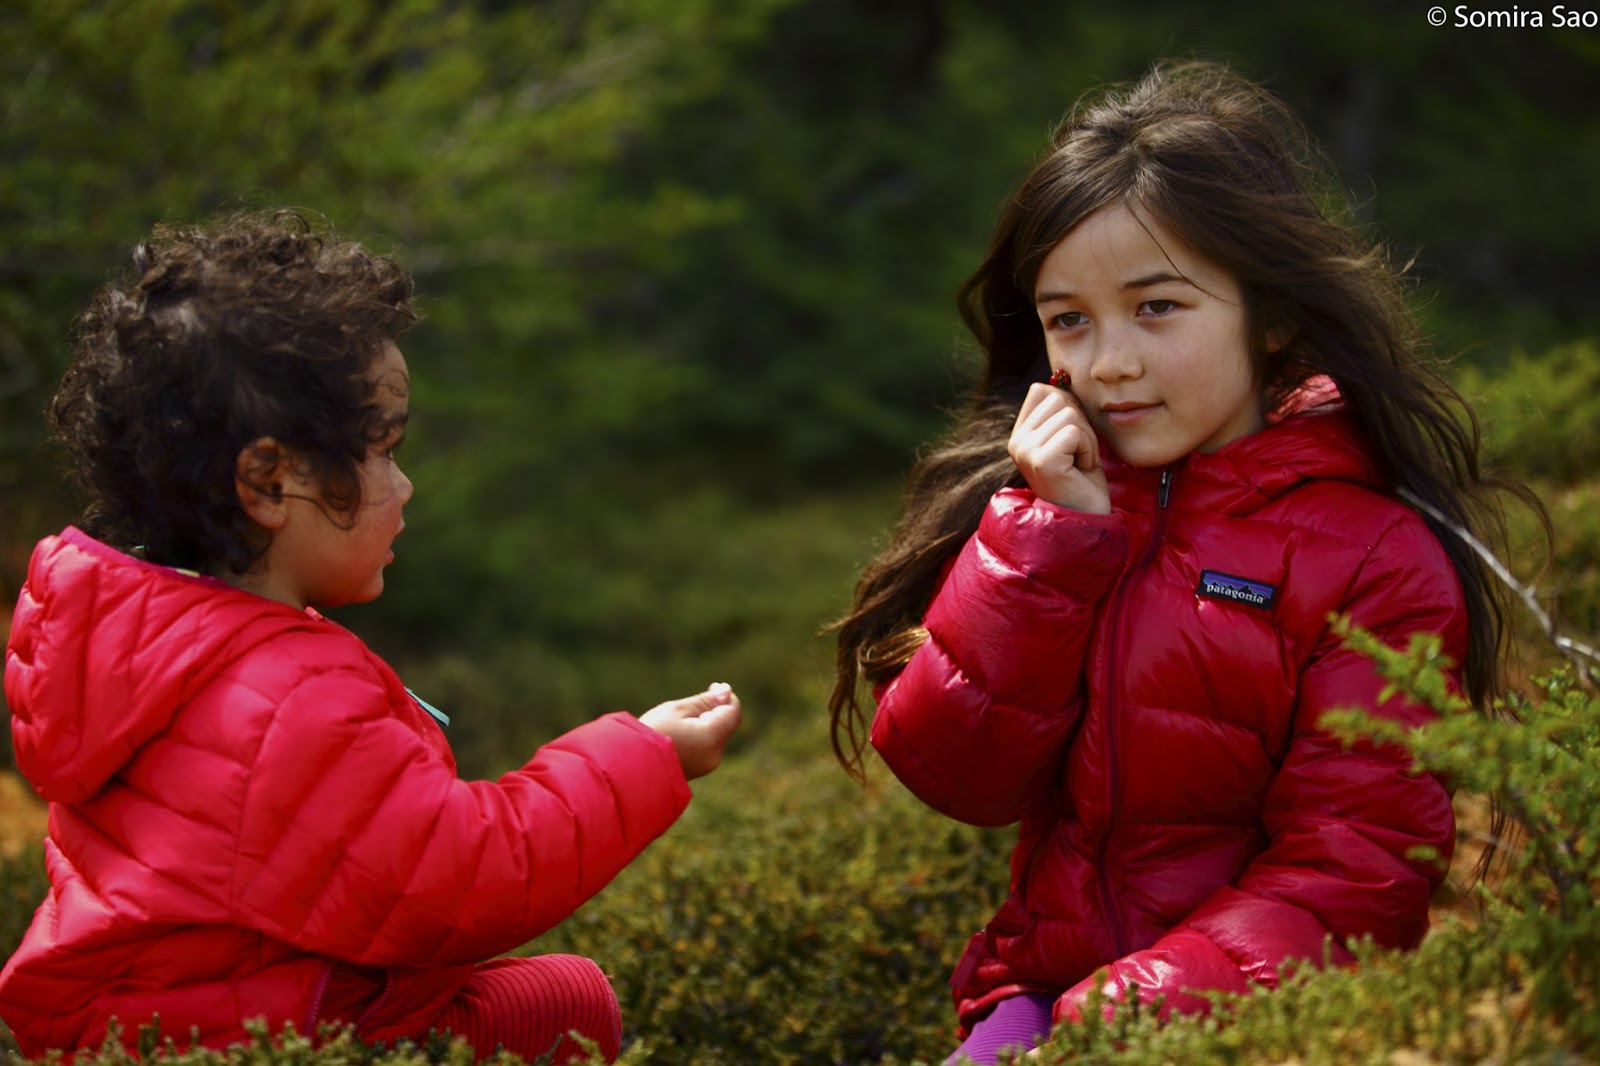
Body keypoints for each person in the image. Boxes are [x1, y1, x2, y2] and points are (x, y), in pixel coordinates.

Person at [827, 60, 1533, 1066]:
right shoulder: (1052, 512)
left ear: (1270, 313)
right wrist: (1050, 544)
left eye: (1156, 307)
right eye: (1068, 319)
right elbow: (959, 776)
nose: (1108, 361)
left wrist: (1112, 1027)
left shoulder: (1373, 557)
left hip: (1253, 1024)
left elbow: (1353, 874)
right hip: (1039, 995)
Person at [0, 209, 742, 1062]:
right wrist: (648, 757)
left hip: (178, 1025)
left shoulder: (149, 647)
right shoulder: (278, 696)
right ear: (269, 482)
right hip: (246, 1041)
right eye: (383, 451)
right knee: (567, 1003)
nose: (406, 484)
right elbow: (463, 878)